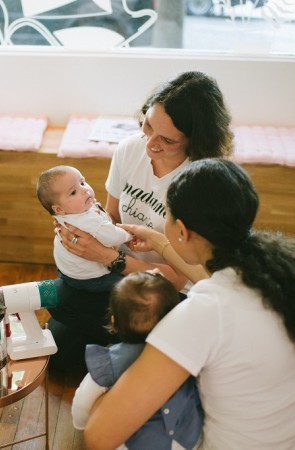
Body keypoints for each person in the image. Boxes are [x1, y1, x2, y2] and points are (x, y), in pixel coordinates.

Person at [82, 158, 295, 449]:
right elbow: (211, 275)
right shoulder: (292, 276)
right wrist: (160, 243)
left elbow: (99, 435)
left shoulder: (204, 312)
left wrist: (103, 390)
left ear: (182, 230)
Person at [47, 71, 234, 370]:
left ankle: (140, 354)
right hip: (120, 276)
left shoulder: (202, 182)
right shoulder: (130, 149)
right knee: (59, 349)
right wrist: (81, 227)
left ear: (195, 141)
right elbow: (112, 216)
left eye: (167, 139)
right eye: (148, 125)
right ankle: (133, 352)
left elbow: (178, 277)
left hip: (168, 291)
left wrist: (109, 257)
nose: (150, 143)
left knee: (67, 318)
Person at [72, 271, 203, 450]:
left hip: (138, 443)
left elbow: (82, 402)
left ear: (114, 321)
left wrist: (81, 425)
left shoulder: (110, 363)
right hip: (186, 437)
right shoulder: (185, 355)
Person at [36, 165, 132, 292]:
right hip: (89, 278)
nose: (84, 190)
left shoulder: (70, 213)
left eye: (82, 182)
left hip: (67, 271)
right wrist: (130, 235)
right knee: (128, 286)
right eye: (73, 192)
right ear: (59, 209)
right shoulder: (86, 220)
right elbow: (113, 237)